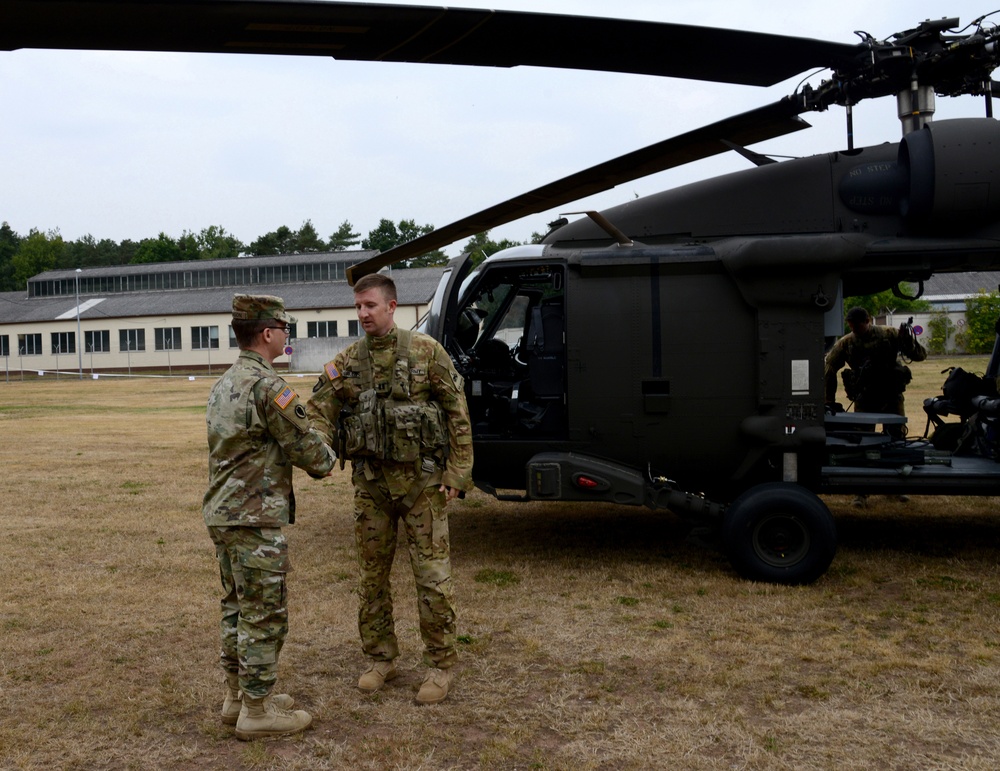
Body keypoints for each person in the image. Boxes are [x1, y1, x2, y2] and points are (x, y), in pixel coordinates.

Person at [307, 272, 473, 705]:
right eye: (358, 306)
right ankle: (381, 658)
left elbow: (457, 411)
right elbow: (319, 409)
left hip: (422, 485)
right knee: (372, 578)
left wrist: (458, 473)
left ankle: (440, 664)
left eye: (370, 306)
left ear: (392, 307)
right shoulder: (346, 362)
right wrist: (320, 451)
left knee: (433, 578)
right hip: (371, 487)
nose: (362, 313)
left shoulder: (426, 352)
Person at [203, 293, 336, 740]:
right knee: (264, 614)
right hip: (254, 518)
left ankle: (238, 697)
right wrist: (328, 441)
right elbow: (316, 457)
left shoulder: (225, 383)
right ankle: (257, 713)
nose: (287, 335)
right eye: (284, 328)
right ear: (267, 333)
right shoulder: (267, 387)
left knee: (237, 608)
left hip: (224, 515)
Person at [824, 306, 928, 432]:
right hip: (865, 395)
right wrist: (829, 401)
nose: (853, 330)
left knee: (896, 435)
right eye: (851, 327)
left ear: (867, 321)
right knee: (862, 435)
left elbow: (920, 356)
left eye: (857, 326)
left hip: (891, 394)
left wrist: (907, 342)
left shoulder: (890, 334)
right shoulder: (846, 343)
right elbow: (830, 368)